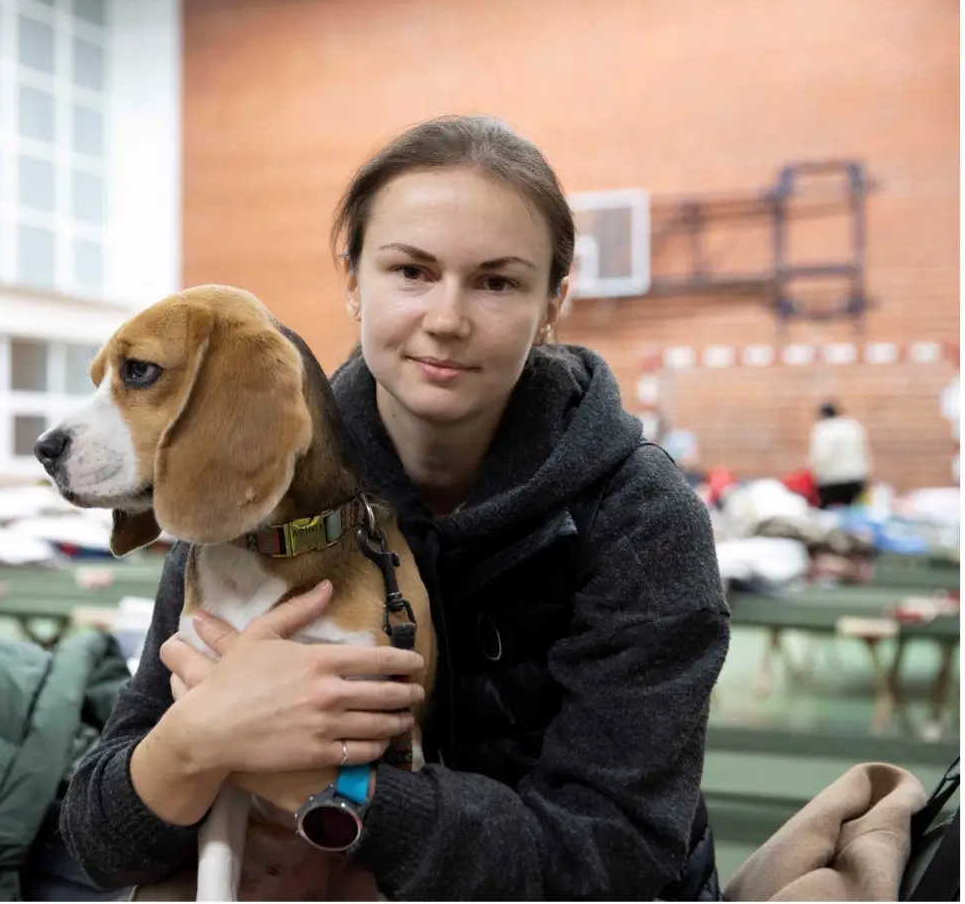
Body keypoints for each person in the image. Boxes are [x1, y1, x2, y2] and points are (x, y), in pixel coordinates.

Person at [58, 115, 730, 900]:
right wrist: (195, 741)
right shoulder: (252, 478)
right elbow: (102, 841)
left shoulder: (642, 521)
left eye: (497, 281)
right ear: (352, 280)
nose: (446, 319)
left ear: (554, 302)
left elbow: (613, 864)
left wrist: (332, 783)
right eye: (411, 271)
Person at [808, 400, 872, 507]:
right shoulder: (852, 426)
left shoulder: (823, 429)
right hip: (855, 478)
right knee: (854, 513)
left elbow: (820, 456)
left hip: (831, 481)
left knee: (830, 516)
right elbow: (863, 452)